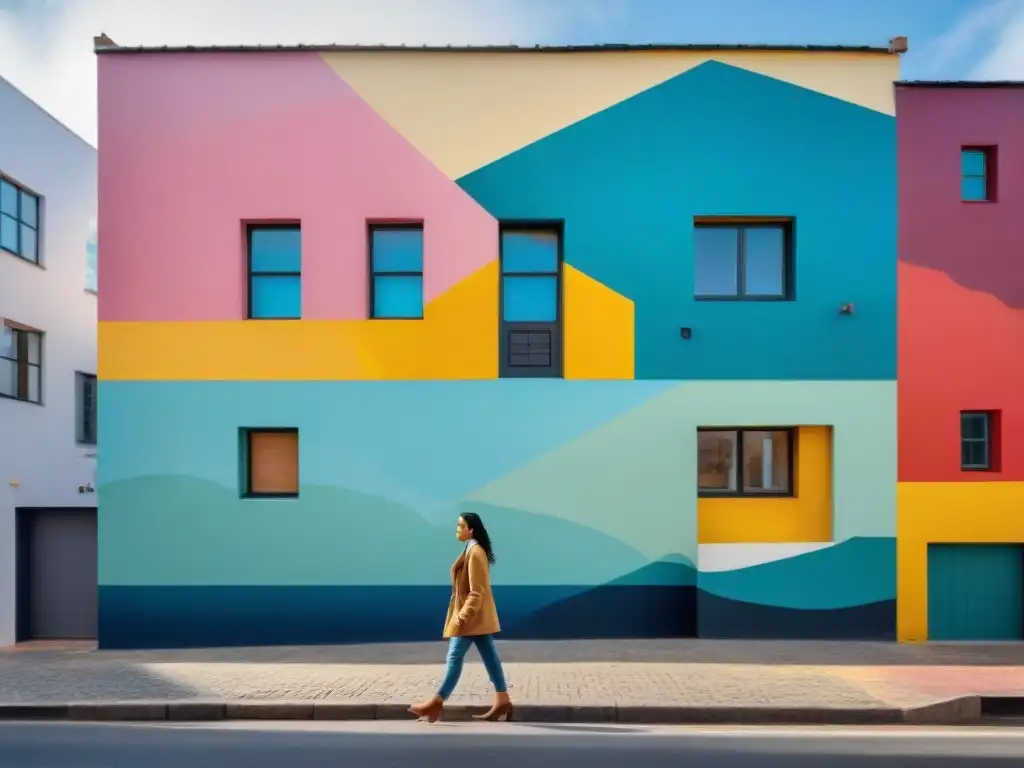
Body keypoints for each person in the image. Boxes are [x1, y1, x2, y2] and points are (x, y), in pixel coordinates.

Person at [408, 512, 512, 723]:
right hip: (477, 617)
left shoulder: (475, 552)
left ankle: (436, 702)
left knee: (454, 657)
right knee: (490, 657)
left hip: (470, 617)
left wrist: (462, 617)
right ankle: (503, 699)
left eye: (460, 525)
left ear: (470, 530)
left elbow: (477, 591)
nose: (456, 529)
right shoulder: (471, 549)